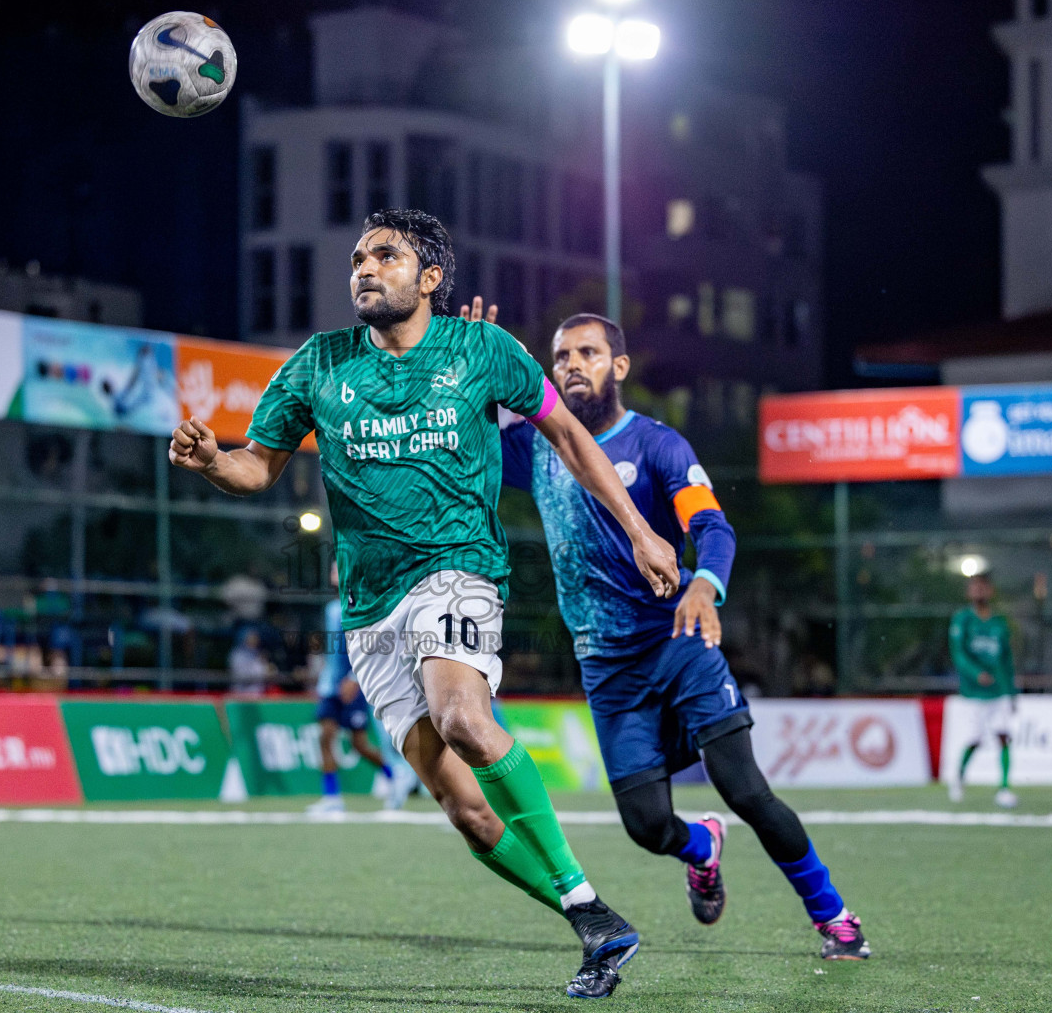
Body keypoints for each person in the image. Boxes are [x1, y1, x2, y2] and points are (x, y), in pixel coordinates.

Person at [170, 208, 682, 998]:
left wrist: (643, 530)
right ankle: (594, 919)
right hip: (370, 610)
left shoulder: (483, 350)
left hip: (458, 568)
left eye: (386, 255)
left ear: (431, 279)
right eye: (358, 257)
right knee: (468, 814)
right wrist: (213, 461)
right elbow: (256, 468)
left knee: (464, 719)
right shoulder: (317, 364)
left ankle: (582, 896)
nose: (365, 268)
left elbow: (572, 439)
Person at [480, 302, 871, 961]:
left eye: (589, 354)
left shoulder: (659, 445)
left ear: (619, 366)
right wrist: (471, 356)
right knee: (647, 826)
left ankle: (832, 914)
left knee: (747, 790)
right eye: (563, 357)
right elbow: (467, 433)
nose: (574, 366)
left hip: (680, 647)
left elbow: (712, 527)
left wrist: (703, 583)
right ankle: (702, 847)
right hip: (607, 669)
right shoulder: (538, 448)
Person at [306, 562, 416, 814]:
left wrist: (353, 678)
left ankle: (395, 775)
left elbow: (365, 646)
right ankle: (332, 798)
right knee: (325, 737)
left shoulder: (360, 607)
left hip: (353, 684)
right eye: (332, 569)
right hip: (329, 686)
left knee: (360, 745)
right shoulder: (331, 608)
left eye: (337, 569)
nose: (333, 573)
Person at [948, 571, 1017, 808]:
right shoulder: (962, 619)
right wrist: (976, 673)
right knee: (974, 740)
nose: (979, 591)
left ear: (991, 591)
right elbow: (957, 654)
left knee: (1004, 737)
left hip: (998, 692)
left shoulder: (999, 622)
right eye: (974, 587)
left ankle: (1004, 788)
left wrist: (1012, 691)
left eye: (983, 587)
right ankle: (958, 776)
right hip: (972, 694)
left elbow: (1007, 660)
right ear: (968, 592)